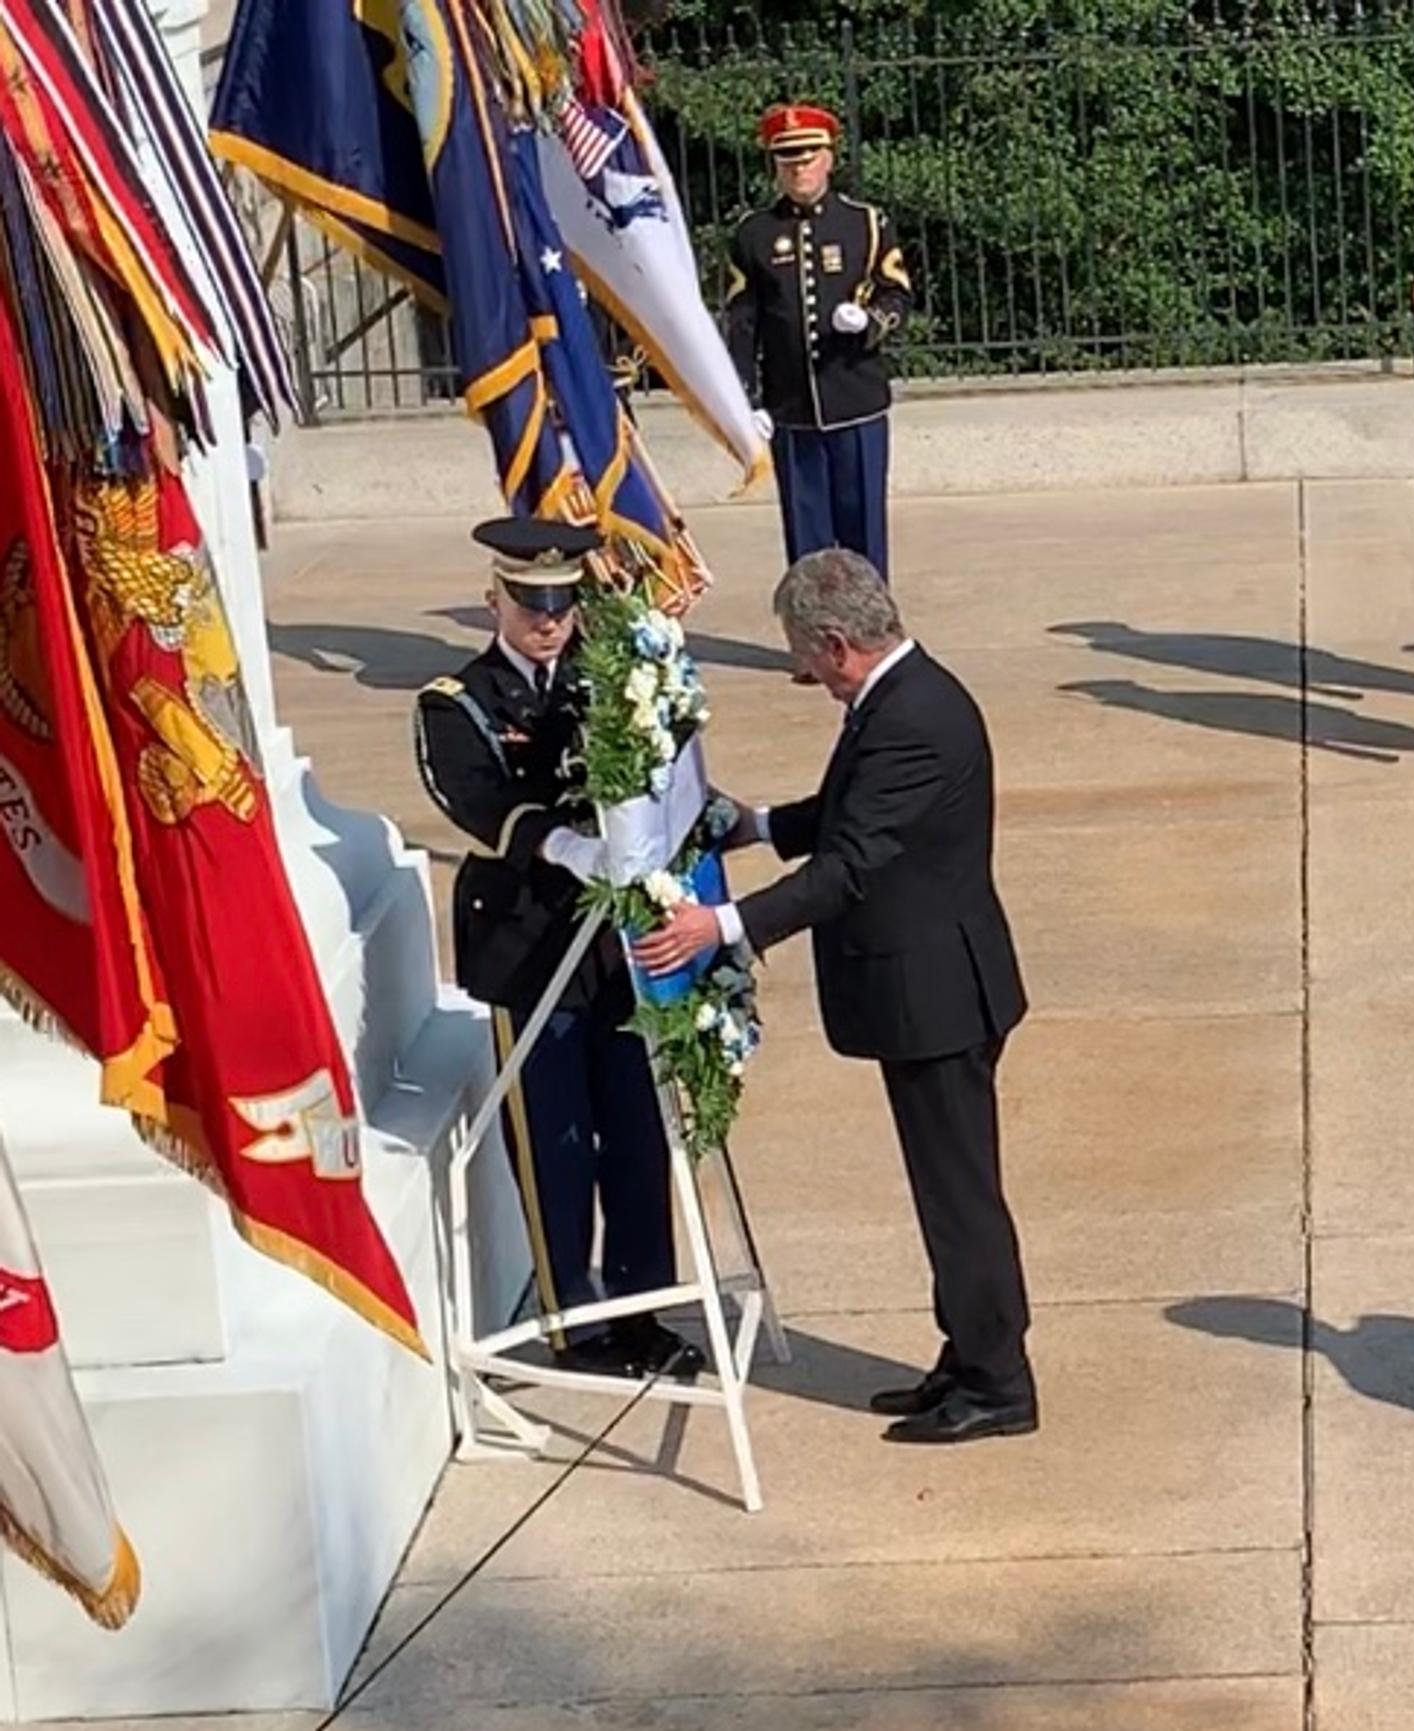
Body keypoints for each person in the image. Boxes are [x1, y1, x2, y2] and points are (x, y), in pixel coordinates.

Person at [633, 548, 1034, 1445]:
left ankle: (999, 1381)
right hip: (928, 988)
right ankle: (969, 1353)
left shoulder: (913, 718)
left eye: (803, 655)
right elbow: (851, 809)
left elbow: (850, 866)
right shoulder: (900, 697)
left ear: (836, 643)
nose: (804, 672)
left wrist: (721, 925)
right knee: (945, 1190)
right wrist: (759, 825)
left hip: (938, 996)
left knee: (960, 1196)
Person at [414, 519, 699, 1380]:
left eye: (561, 604)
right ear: (493, 600)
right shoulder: (455, 700)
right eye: (530, 603)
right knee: (555, 1144)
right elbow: (471, 795)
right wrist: (560, 842)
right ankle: (575, 1321)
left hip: (612, 946)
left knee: (637, 1131)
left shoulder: (608, 679)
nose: (548, 621)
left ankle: (643, 1308)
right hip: (529, 945)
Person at [725, 103, 912, 578]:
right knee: (806, 537)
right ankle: (812, 622)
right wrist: (747, 399)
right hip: (791, 407)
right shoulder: (753, 233)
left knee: (862, 528)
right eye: (788, 160)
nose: (799, 169)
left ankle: (869, 619)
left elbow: (897, 293)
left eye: (808, 158)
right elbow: (743, 321)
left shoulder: (865, 223)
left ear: (828, 158)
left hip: (855, 400)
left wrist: (870, 321)